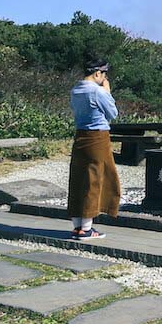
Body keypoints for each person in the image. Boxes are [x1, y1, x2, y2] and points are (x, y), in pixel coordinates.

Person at [67, 59, 121, 240]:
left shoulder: (75, 90)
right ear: (97, 73)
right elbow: (112, 113)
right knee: (95, 179)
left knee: (78, 178)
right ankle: (87, 229)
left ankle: (77, 227)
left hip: (80, 136)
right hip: (98, 137)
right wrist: (108, 92)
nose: (104, 78)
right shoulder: (97, 92)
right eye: (104, 74)